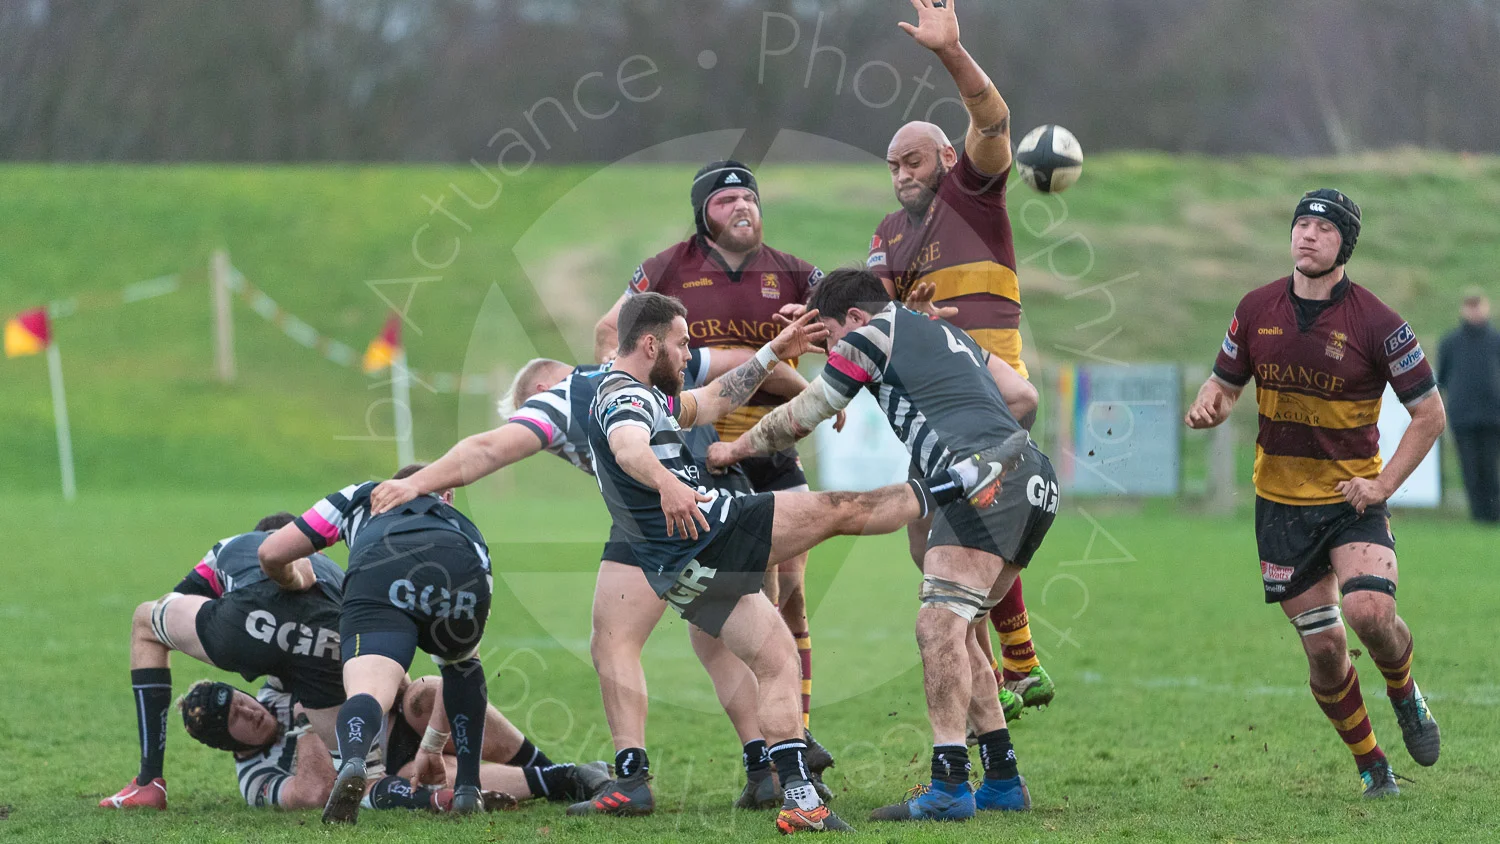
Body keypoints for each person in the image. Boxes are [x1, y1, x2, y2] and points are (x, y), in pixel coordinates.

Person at [583, 292, 1023, 833]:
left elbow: (714, 399)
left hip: (679, 566)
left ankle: (799, 799)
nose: (686, 351)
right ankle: (959, 481)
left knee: (777, 660)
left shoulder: (646, 394)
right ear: (649, 344)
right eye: (679, 342)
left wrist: (773, 352)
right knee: (839, 508)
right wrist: (670, 486)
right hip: (709, 529)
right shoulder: (620, 394)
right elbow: (629, 448)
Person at [368, 346, 822, 811]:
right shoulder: (650, 364)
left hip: (666, 513)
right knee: (719, 640)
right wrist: (791, 368)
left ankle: (633, 779)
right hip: (727, 496)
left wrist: (415, 484)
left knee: (613, 639)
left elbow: (488, 448)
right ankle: (767, 765)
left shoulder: (559, 397)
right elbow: (729, 369)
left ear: (540, 389)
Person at [709, 269, 1051, 821]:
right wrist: (999, 450)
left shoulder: (873, 333)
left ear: (857, 319)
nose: (833, 351)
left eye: (830, 337)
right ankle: (1003, 778)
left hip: (990, 484)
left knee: (937, 626)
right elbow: (1023, 395)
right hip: (1034, 477)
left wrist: (734, 451)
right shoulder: (948, 335)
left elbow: (806, 412)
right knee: (958, 627)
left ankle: (948, 787)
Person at [1185, 189, 1445, 798]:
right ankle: (1372, 764)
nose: (1306, 236)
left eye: (1322, 230)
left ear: (1344, 245)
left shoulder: (1379, 323)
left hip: (1351, 500)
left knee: (1371, 613)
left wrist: (1382, 483)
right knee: (1327, 651)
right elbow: (1223, 384)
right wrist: (1210, 405)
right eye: (1300, 225)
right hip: (1279, 506)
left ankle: (1405, 694)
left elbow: (1429, 414)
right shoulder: (1254, 309)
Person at [594, 160, 835, 746]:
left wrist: (825, 344)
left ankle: (795, 730)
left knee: (794, 591)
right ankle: (778, 744)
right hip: (700, 448)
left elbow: (846, 326)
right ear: (704, 213)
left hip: (774, 443)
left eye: (748, 197)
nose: (741, 207)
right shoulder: (665, 268)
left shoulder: (795, 272)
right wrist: (628, 394)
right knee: (755, 591)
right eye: (726, 200)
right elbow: (610, 333)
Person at [864, 0, 1050, 715]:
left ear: (945, 157)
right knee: (930, 548)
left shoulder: (972, 194)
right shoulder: (889, 232)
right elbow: (872, 316)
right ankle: (1014, 672)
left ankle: (999, 693)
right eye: (891, 165)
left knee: (951, 551)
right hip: (936, 407)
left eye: (912, 160)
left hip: (990, 395)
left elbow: (994, 120)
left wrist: (949, 53)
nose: (901, 174)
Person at [258, 465, 496, 822]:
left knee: (368, 690)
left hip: (381, 567)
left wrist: (294, 580)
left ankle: (354, 761)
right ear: (444, 496)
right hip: (462, 564)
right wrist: (431, 746)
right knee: (462, 663)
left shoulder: (360, 494)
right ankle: (467, 789)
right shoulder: (459, 520)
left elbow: (271, 552)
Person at [100, 512, 347, 810]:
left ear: (261, 536)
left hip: (252, 628)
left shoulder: (237, 546)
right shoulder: (332, 568)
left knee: (146, 622)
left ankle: (149, 780)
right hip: (336, 641)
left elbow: (175, 602)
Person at [175, 675, 608, 811]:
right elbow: (314, 792)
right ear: (226, 742)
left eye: (240, 698)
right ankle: (564, 778)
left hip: (401, 719)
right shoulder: (254, 778)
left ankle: (548, 766)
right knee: (402, 780)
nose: (250, 709)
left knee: (428, 693)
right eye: (235, 717)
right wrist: (307, 726)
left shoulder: (277, 685)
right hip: (385, 772)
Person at [1437, 290, 1500, 523]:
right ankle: (1478, 515)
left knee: (1490, 468)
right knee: (1470, 469)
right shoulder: (1451, 342)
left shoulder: (1496, 340)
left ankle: (1494, 514)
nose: (1474, 311)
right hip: (1462, 416)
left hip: (1493, 416)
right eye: (1470, 306)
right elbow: (1441, 379)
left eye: (1478, 306)